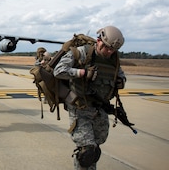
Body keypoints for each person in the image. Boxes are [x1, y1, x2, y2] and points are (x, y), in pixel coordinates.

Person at [53, 26, 126, 169]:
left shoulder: (113, 59)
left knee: (95, 150)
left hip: (100, 109)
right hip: (80, 108)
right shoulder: (81, 53)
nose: (110, 52)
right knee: (86, 152)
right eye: (107, 48)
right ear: (99, 41)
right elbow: (59, 71)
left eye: (113, 50)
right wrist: (82, 73)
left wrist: (120, 81)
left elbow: (121, 76)